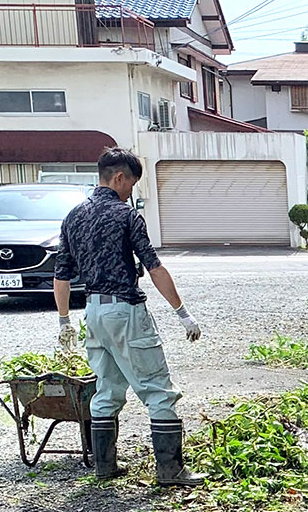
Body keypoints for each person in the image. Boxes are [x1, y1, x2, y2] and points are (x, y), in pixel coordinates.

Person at [54, 147, 204, 486]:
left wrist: (64, 322)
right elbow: (153, 266)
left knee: (106, 389)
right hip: (125, 310)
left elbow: (61, 274)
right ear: (119, 177)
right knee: (158, 390)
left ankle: (104, 467)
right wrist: (182, 313)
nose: (130, 193)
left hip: (92, 311)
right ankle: (171, 470)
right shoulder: (126, 216)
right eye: (131, 185)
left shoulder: (73, 216)